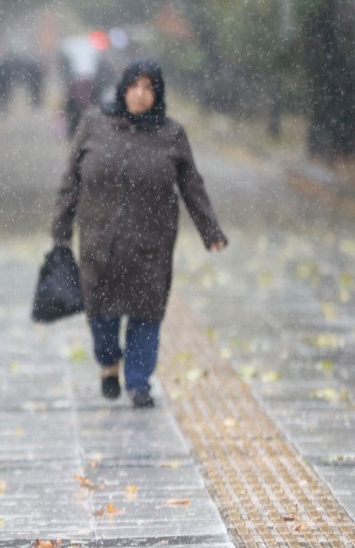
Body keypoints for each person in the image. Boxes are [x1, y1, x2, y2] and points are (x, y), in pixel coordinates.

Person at [51, 59, 227, 409]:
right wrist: (60, 231)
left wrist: (211, 230)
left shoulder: (171, 134)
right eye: (134, 86)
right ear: (123, 88)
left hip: (152, 244)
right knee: (100, 314)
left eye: (149, 88)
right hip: (100, 243)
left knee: (147, 313)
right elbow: (70, 182)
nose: (141, 94)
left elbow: (192, 185)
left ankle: (139, 382)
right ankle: (108, 363)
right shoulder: (93, 125)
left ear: (158, 94)